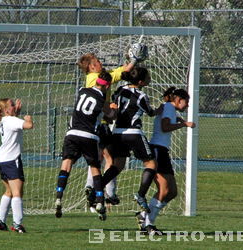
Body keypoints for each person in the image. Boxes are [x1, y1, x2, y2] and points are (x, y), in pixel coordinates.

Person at [78, 52, 138, 207]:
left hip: (97, 124)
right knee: (110, 158)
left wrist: (134, 60)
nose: (100, 62)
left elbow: (120, 72)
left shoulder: (101, 75)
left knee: (98, 158)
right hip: (98, 125)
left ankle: (91, 188)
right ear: (92, 67)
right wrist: (109, 107)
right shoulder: (93, 78)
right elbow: (116, 75)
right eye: (97, 61)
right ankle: (107, 193)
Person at [54, 71, 116, 221]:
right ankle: (100, 202)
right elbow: (111, 116)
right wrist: (114, 109)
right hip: (89, 136)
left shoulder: (82, 90)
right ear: (107, 86)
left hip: (72, 133)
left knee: (66, 165)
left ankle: (58, 198)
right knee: (95, 168)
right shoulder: (102, 99)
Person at [102, 66, 163, 213]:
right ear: (141, 82)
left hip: (117, 133)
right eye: (148, 77)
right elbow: (150, 112)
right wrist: (159, 110)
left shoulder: (120, 90)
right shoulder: (141, 96)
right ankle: (141, 195)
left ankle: (97, 190)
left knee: (118, 166)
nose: (150, 79)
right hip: (133, 133)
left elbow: (113, 104)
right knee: (151, 164)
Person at [136, 87, 196, 236]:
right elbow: (165, 126)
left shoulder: (169, 108)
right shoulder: (169, 107)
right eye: (186, 102)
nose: (187, 106)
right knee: (164, 190)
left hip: (162, 151)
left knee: (172, 192)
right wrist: (183, 124)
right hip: (157, 150)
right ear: (178, 100)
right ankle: (148, 225)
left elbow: (166, 121)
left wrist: (180, 120)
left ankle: (143, 217)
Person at [0, 98, 34, 233]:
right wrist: (28, 119)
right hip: (12, 160)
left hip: (2, 160)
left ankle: (1, 221)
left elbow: (14, 123)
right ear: (6, 110)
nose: (14, 106)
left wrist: (17, 112)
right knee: (17, 193)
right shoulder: (11, 120)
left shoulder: (3, 120)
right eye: (12, 105)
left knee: (9, 192)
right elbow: (29, 126)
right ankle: (17, 224)